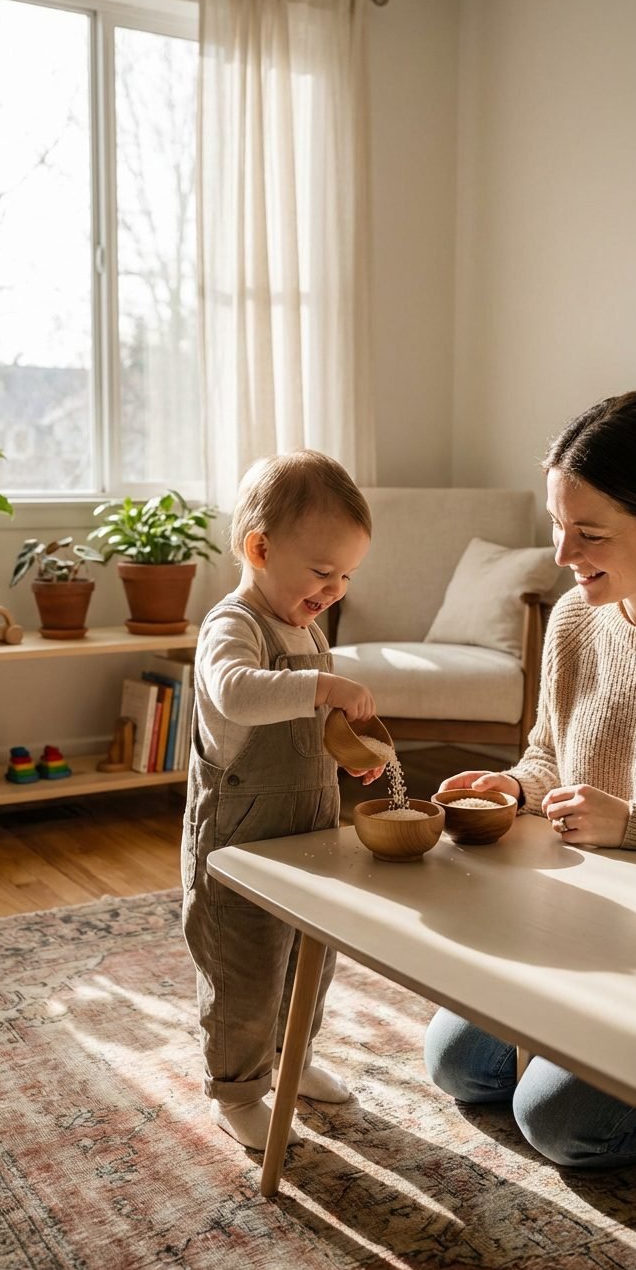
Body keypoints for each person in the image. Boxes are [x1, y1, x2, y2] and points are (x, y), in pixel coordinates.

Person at [424, 390, 636, 1169]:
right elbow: (550, 755)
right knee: (458, 1064)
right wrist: (512, 788)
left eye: (590, 533)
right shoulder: (577, 620)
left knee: (559, 1124)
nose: (561, 553)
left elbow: (625, 815)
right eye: (556, 523)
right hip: (596, 921)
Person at [182, 450, 384, 1151]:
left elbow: (306, 726)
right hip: (239, 837)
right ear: (260, 549)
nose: (335, 589)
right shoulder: (232, 626)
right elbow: (236, 691)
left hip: (306, 831)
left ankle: (292, 1055)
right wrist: (327, 688)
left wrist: (349, 753)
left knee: (309, 957)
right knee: (244, 968)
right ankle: (237, 1088)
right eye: (323, 572)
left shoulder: (308, 628)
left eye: (347, 577)